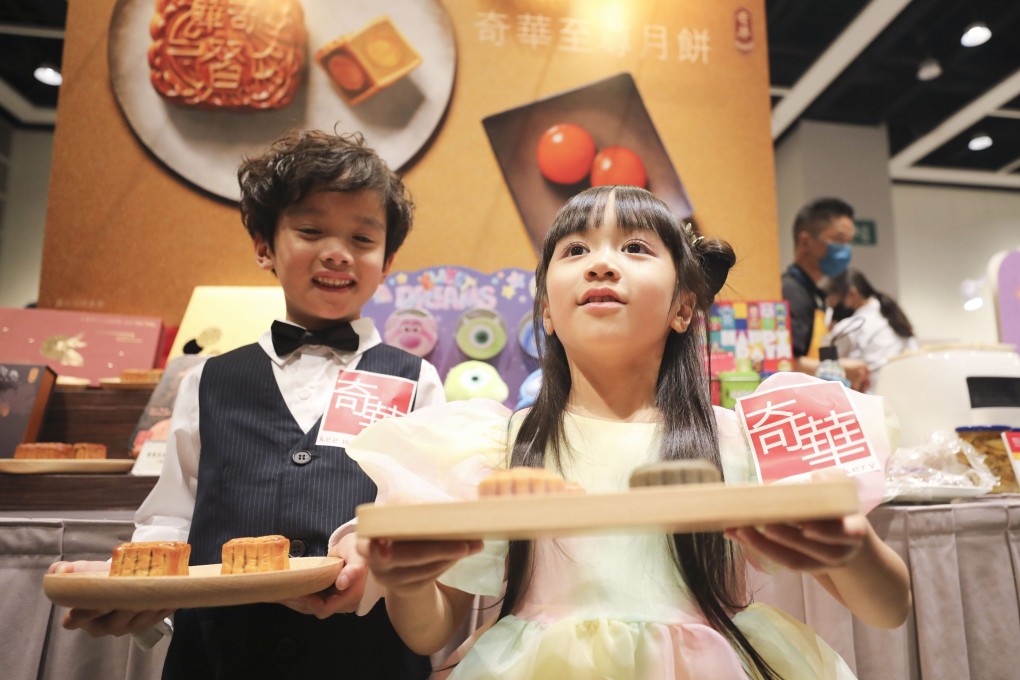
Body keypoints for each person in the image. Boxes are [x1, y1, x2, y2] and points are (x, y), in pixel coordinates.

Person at [341, 186, 911, 678]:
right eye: (576, 250)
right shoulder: (498, 445)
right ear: (546, 310)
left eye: (635, 247)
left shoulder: (742, 440)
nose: (601, 264)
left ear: (684, 307)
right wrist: (408, 583)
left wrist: (855, 546)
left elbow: (888, 609)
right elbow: (428, 632)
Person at [47, 129, 446, 679]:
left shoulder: (416, 377)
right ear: (264, 246)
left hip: (366, 654)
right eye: (310, 230)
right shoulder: (208, 378)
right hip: (218, 655)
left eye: (362, 238)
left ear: (387, 259)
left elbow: (421, 509)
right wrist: (139, 594)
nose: (337, 251)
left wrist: (372, 573)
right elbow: (171, 513)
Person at [782, 197, 871, 391]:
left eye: (849, 242)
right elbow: (786, 362)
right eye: (839, 240)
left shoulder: (815, 293)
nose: (846, 250)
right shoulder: (791, 291)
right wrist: (839, 368)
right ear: (805, 241)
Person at [825, 268, 919, 386]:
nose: (832, 307)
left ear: (852, 293)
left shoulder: (850, 325)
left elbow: (825, 366)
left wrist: (828, 331)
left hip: (873, 394)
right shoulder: (893, 313)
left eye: (833, 300)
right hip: (907, 386)